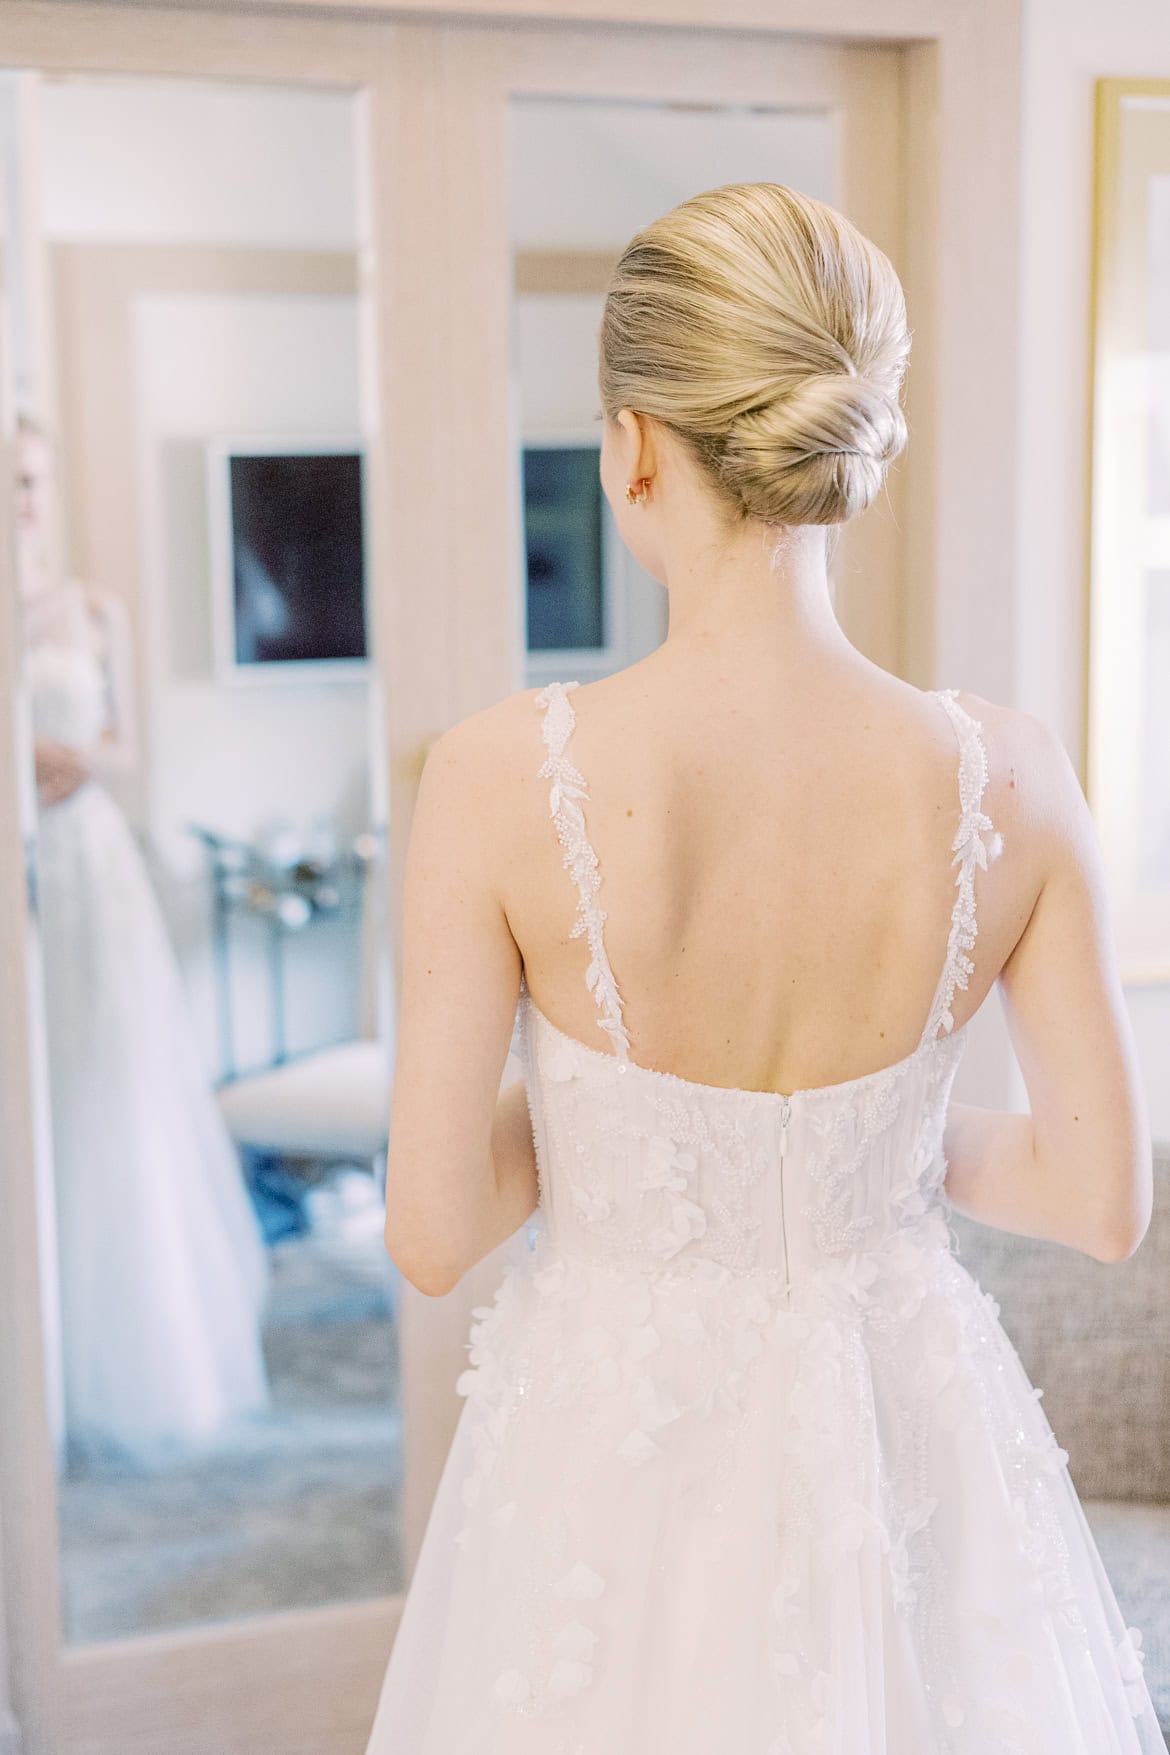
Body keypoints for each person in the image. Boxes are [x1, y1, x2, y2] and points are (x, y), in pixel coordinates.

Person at [366, 184, 1161, 1750]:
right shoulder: (1014, 772)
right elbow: (1099, 1196)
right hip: (905, 1426)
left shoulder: (490, 776)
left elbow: (435, 1224)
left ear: (637, 444)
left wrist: (629, 1141)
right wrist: (859, 1149)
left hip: (611, 1448)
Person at [17, 415, 271, 1469]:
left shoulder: (90, 609)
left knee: (109, 1084)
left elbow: (125, 749)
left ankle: (133, 1342)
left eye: (30, 480)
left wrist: (68, 759)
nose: (20, 498)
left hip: (86, 862)